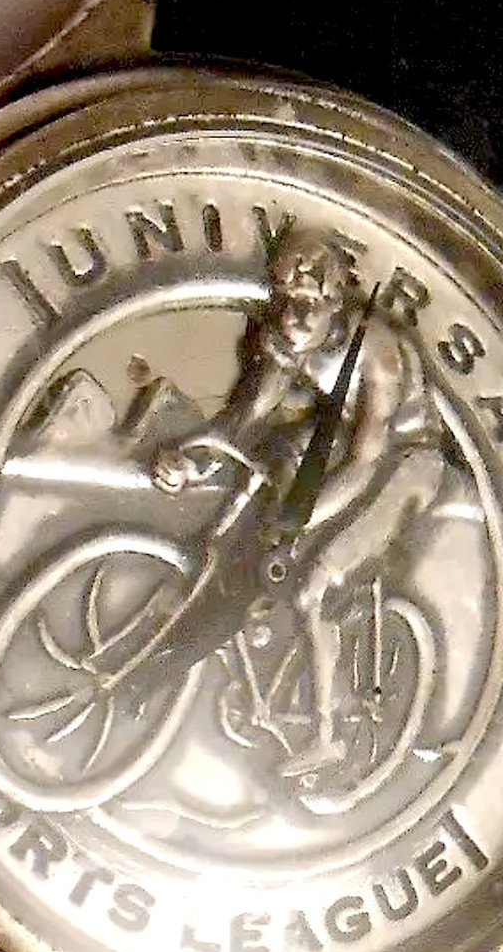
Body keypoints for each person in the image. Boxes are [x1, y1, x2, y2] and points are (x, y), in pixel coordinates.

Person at [156, 229, 444, 776]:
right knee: (267, 468)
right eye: (286, 301)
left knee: (315, 588)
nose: (293, 317)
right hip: (336, 433)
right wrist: (195, 461)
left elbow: (365, 464)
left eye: (309, 305)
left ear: (336, 306)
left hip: (404, 459)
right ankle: (243, 600)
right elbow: (245, 417)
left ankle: (327, 735)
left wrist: (298, 523)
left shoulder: (377, 355)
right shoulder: (287, 337)